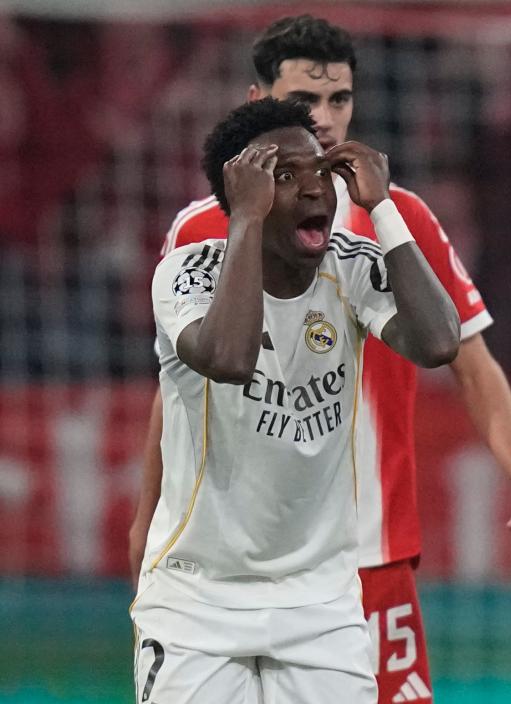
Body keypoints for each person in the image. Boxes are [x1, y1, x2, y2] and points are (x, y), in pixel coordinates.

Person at [128, 15, 511, 704]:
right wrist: (145, 518)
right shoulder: (197, 242)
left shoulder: (380, 235)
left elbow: (460, 354)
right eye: (305, 100)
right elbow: (184, 385)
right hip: (205, 580)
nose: (324, 120)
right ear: (259, 101)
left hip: (351, 559)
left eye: (339, 100)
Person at [133, 98, 459, 702]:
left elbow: (440, 343)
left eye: (321, 172)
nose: (315, 190)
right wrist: (244, 220)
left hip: (320, 604)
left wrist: (383, 208)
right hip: (198, 599)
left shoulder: (351, 267)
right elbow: (229, 358)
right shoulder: (187, 273)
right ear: (245, 196)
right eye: (285, 176)